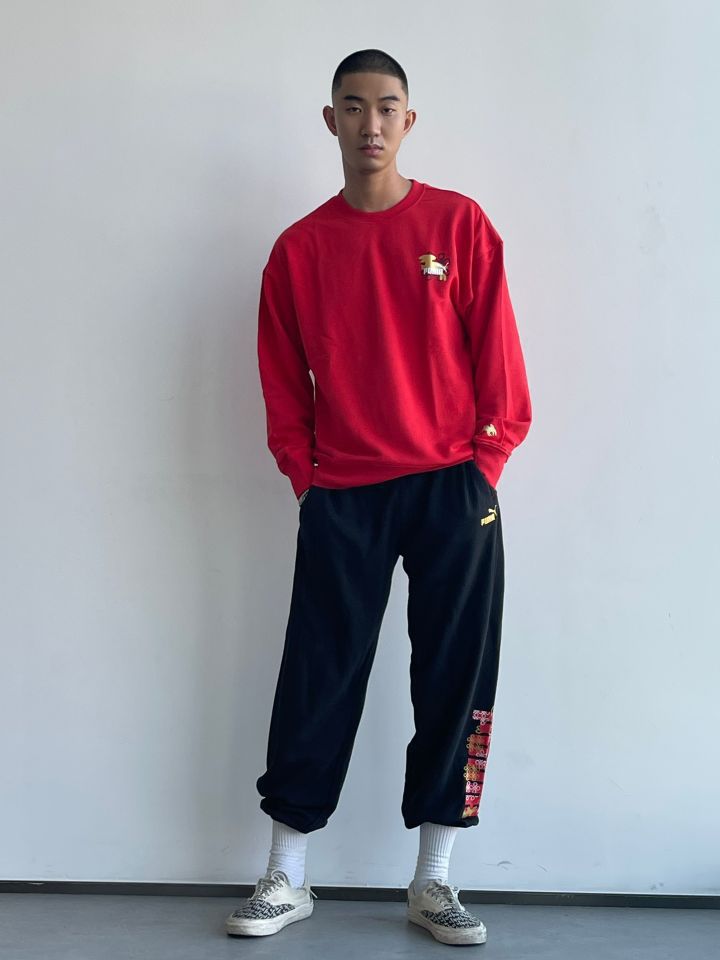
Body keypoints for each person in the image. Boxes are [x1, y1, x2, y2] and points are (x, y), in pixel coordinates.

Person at [226, 48, 532, 946]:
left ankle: (434, 878)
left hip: (453, 488)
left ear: (409, 121)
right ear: (331, 120)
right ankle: (287, 874)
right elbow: (282, 380)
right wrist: (305, 474)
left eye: (387, 106)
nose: (371, 123)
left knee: (457, 675)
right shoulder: (300, 249)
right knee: (318, 673)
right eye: (354, 106)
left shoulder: (459, 225)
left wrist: (485, 463)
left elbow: (500, 361)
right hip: (345, 493)